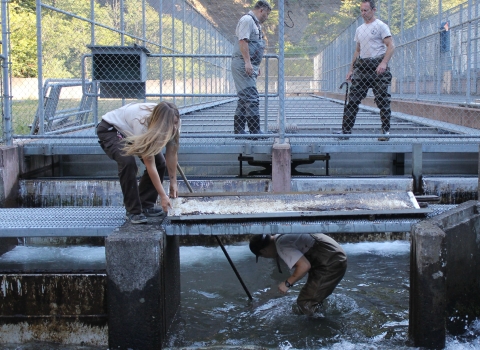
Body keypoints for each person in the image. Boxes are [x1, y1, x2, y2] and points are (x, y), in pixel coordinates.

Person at [96, 102, 180, 224]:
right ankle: (133, 211)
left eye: (176, 122)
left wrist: (174, 183)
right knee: (128, 162)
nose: (174, 127)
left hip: (132, 131)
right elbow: (150, 164)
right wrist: (163, 195)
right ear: (161, 124)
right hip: (112, 129)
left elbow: (172, 153)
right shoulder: (142, 123)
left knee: (160, 163)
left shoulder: (175, 123)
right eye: (170, 124)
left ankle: (146, 204)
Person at [249, 233, 347, 316]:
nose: (266, 257)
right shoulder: (281, 235)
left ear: (263, 251)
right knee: (311, 297)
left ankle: (319, 330)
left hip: (330, 261)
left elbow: (304, 266)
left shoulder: (281, 245)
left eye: (262, 256)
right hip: (332, 254)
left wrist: (287, 283)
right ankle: (318, 315)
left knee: (305, 303)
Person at [338, 0, 395, 141]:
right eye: (361, 11)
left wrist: (383, 63)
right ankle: (346, 131)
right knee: (353, 100)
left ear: (373, 10)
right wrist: (351, 70)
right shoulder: (360, 29)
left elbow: (391, 46)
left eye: (366, 10)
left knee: (382, 100)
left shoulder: (381, 26)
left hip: (377, 68)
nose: (363, 13)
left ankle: (385, 131)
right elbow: (357, 50)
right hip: (362, 67)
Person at [231, 0, 271, 136]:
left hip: (248, 65)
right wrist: (248, 63)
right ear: (261, 10)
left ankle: (239, 131)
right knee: (252, 97)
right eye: (267, 14)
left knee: (244, 98)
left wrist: (254, 65)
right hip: (242, 64)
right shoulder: (247, 20)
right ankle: (255, 131)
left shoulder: (255, 24)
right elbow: (242, 41)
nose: (267, 17)